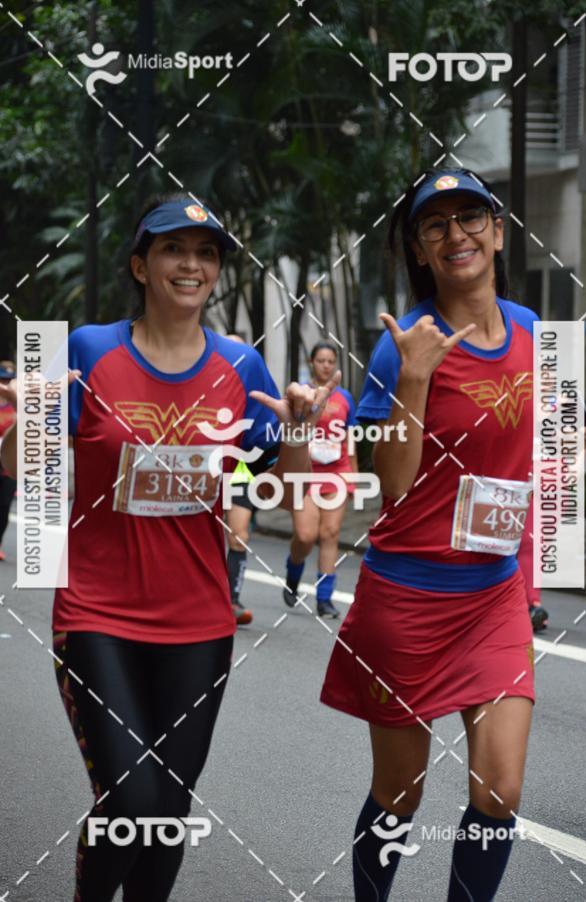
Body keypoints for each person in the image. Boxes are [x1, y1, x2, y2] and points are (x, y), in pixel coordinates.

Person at [0, 192, 340, 902]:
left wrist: (302, 432)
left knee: (170, 812)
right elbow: (15, 465)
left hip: (199, 623)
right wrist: (28, 414)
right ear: (141, 264)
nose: (192, 264)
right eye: (173, 249)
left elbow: (282, 476)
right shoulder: (91, 351)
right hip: (98, 615)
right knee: (133, 801)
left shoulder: (241, 366)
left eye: (206, 252)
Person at [320, 168, 563, 901]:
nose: (455, 234)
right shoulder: (404, 346)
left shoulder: (537, 336)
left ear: (497, 229)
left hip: (494, 596)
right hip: (407, 601)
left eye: (469, 217)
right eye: (435, 225)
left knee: (502, 790)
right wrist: (415, 381)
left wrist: (533, 581)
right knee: (400, 797)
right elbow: (394, 486)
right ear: (420, 251)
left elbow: (536, 465)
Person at [282, 341, 358, 618]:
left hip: (337, 472)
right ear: (311, 362)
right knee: (305, 535)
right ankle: (293, 569)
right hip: (305, 473)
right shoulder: (300, 393)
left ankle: (324, 599)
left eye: (331, 361)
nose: (326, 366)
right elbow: (287, 432)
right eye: (321, 360)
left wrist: (353, 477)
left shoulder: (345, 398)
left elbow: (349, 439)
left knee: (330, 534)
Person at [223, 334, 258, 627]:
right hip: (200, 474)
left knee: (238, 536)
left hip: (239, 474)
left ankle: (231, 600)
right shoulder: (197, 385)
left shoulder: (252, 389)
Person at [0, 361, 17, 561]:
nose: (5, 384)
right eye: (2, 379)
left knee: (4, 506)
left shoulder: (17, 408)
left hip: (8, 466)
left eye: (9, 380)